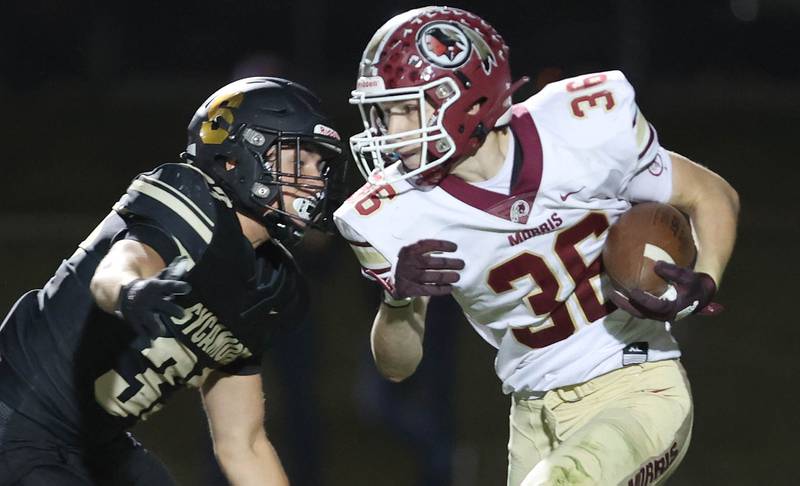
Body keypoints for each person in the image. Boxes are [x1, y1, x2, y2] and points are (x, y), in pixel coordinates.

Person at [334, 6, 739, 486]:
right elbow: (398, 367)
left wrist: (707, 274)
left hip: (635, 386)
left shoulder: (580, 125)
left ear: (463, 97)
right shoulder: (397, 210)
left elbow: (711, 195)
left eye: (406, 108)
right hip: (531, 416)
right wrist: (397, 300)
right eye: (384, 112)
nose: (391, 130)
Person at [0, 77, 346, 485]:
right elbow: (119, 266)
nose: (315, 180)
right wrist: (131, 292)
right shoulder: (190, 196)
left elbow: (243, 443)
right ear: (237, 157)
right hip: (19, 419)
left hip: (99, 445)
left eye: (321, 167)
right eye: (299, 160)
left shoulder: (271, 284)